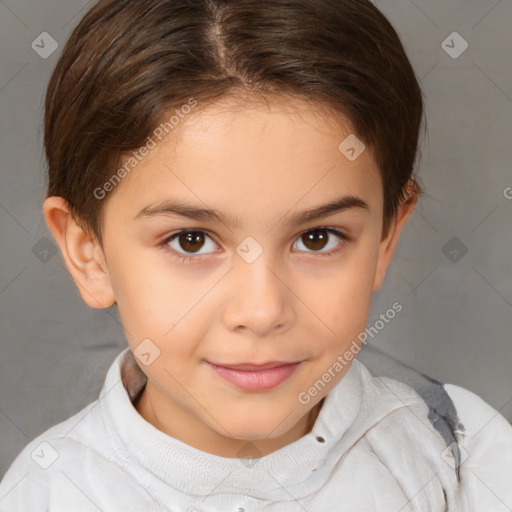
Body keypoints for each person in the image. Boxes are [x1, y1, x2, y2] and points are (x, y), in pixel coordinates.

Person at [1, 0, 511, 510]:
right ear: (89, 254)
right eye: (191, 240)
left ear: (384, 239)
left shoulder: (459, 451)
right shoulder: (47, 493)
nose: (262, 312)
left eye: (317, 238)